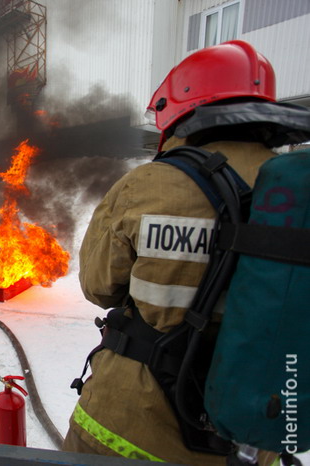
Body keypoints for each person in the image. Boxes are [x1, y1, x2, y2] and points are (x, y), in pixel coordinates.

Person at [62, 40, 310, 465]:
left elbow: (98, 285)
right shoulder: (298, 194)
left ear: (180, 109)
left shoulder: (149, 184)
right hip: (252, 432)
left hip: (129, 426)